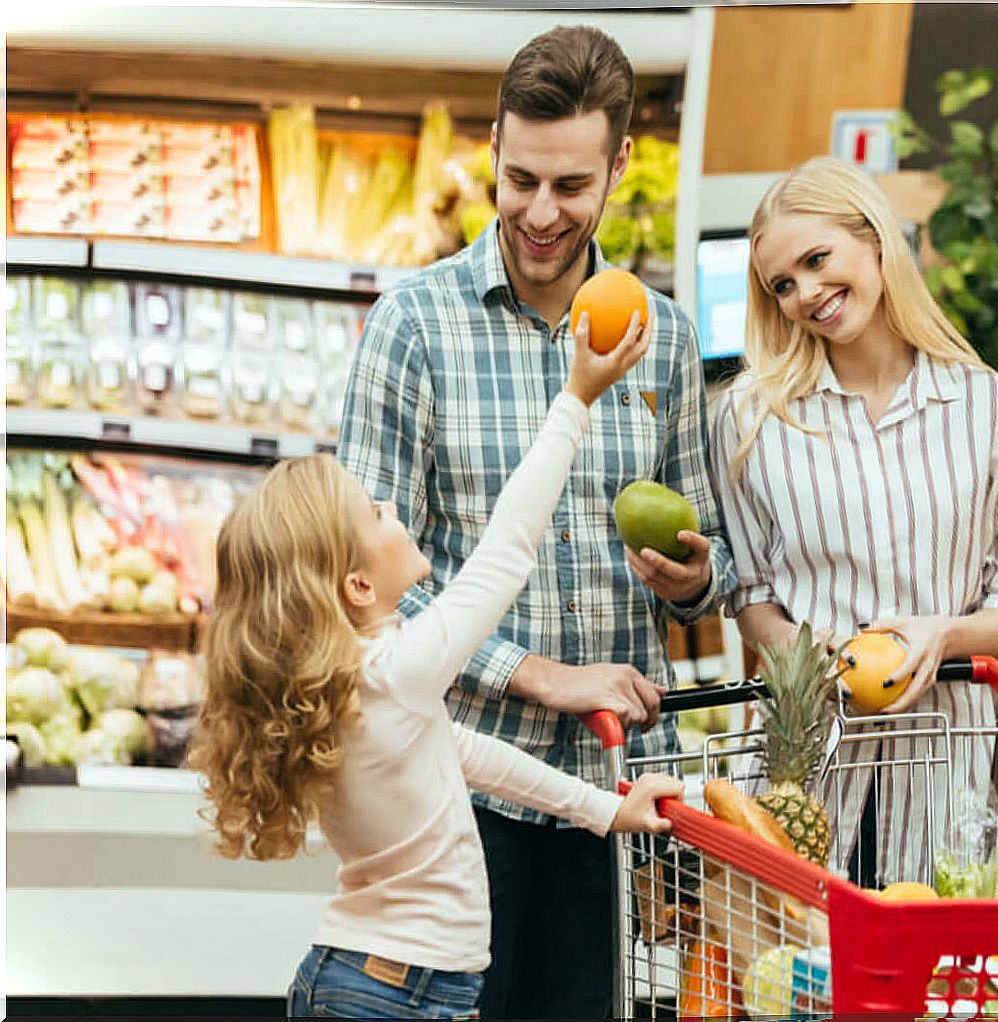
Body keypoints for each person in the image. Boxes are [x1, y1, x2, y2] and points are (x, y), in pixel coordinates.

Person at [334, 24, 735, 1019]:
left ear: (620, 166)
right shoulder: (414, 325)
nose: (542, 212)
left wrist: (696, 577)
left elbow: (714, 538)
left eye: (570, 185)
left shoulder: (665, 334)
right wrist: (537, 675)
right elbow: (361, 577)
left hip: (608, 788)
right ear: (496, 152)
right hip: (449, 789)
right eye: (520, 180)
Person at [190, 313, 683, 1020]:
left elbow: (469, 754)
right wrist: (575, 398)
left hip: (377, 983)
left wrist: (606, 811)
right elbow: (507, 552)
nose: (393, 507)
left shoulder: (363, 683)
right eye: (377, 514)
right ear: (357, 586)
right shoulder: (391, 674)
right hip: (394, 995)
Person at [710, 156, 998, 887]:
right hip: (811, 773)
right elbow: (751, 597)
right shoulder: (750, 420)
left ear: (873, 239)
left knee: (930, 986)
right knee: (800, 989)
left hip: (947, 777)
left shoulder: (989, 408)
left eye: (817, 259)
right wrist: (806, 649)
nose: (806, 294)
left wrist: (943, 635)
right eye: (782, 284)